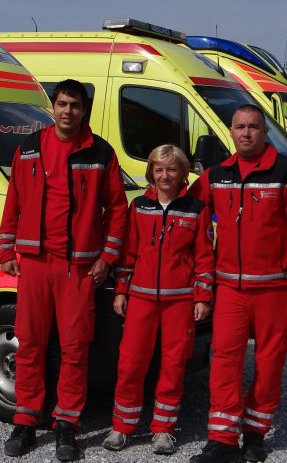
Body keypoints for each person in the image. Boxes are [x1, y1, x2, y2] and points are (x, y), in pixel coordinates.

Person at [0, 79, 128, 461]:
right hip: (35, 263)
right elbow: (13, 200)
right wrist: (6, 248)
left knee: (74, 348)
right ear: (52, 107)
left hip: (78, 267)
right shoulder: (28, 148)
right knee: (29, 343)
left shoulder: (100, 152)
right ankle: (25, 421)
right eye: (62, 103)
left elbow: (117, 209)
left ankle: (67, 425)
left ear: (84, 110)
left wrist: (107, 257)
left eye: (75, 105)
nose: (68, 111)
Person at [189, 104, 287, 463]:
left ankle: (255, 433)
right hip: (230, 289)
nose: (246, 133)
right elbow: (187, 208)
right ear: (231, 132)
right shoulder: (218, 174)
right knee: (224, 361)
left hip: (275, 289)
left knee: (270, 362)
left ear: (264, 132)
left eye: (253, 127)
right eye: (239, 127)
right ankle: (222, 439)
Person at [101, 144, 214, 455]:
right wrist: (121, 291)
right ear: (151, 172)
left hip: (180, 300)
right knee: (130, 362)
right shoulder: (138, 206)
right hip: (141, 298)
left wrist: (203, 297)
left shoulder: (196, 210)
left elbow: (205, 257)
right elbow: (128, 253)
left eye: (172, 169)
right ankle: (122, 426)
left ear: (183, 173)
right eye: (159, 169)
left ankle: (164, 429)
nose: (165, 175)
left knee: (174, 364)